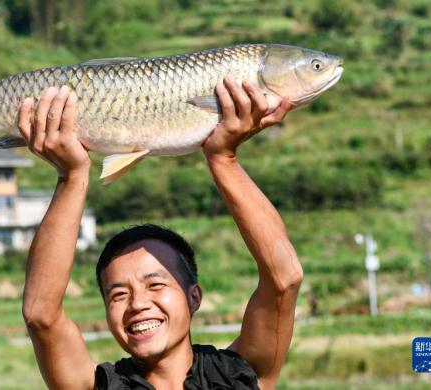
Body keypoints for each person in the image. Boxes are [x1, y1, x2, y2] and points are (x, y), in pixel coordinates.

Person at [18, 77, 303, 390]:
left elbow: (284, 280)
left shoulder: (238, 375)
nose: (138, 303)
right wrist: (71, 176)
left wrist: (223, 158)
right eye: (118, 294)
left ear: (194, 297)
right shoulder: (97, 387)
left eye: (155, 284)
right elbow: (40, 314)